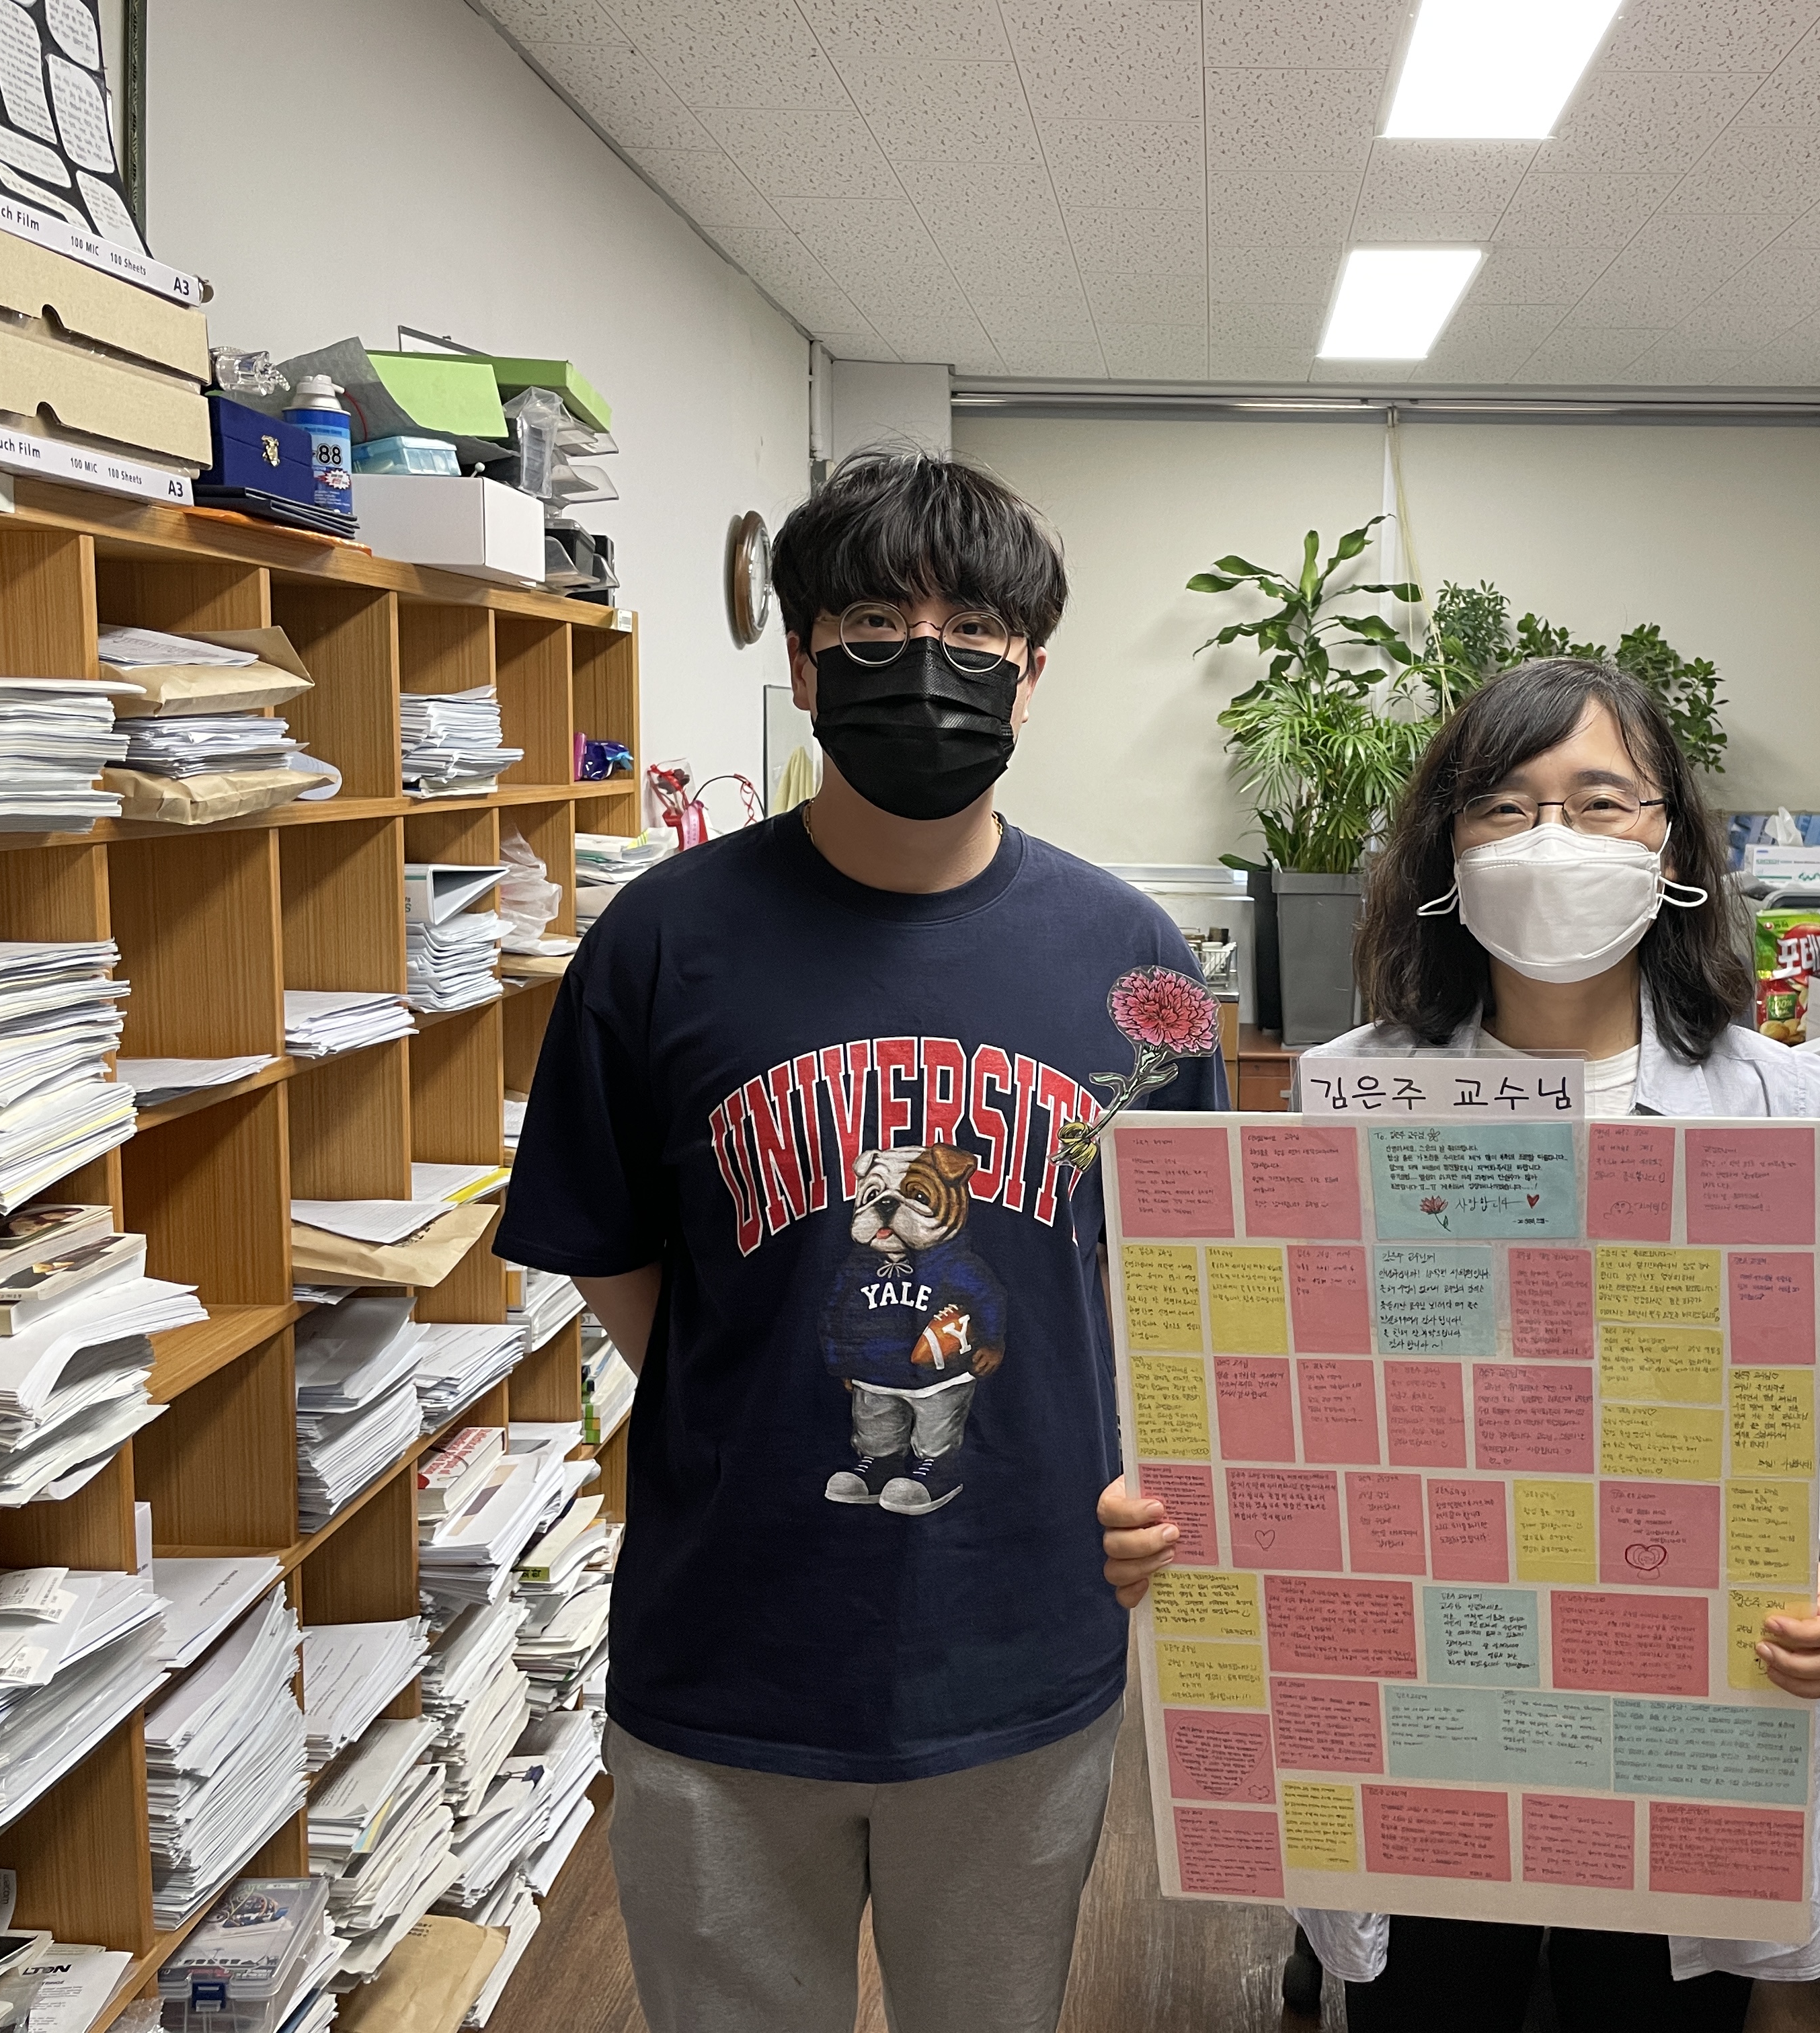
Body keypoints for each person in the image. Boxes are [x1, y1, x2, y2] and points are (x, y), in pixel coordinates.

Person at [498, 448, 1226, 2033]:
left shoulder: (1135, 965)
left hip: (1019, 1642)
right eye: (876, 627)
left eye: (973, 633)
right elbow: (613, 1248)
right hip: (729, 1647)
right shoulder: (661, 941)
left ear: (1032, 670)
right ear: (805, 659)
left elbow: (1181, 1283)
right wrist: (769, 1382)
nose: (926, 663)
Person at [1097, 656, 1820, 2032]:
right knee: (1433, 1997)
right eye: (1508, 807)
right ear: (1448, 849)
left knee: (1647, 2008)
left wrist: (1788, 1536)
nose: (1552, 842)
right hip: (1425, 1692)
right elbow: (1290, 1391)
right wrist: (1177, 1511)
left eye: (1601, 803)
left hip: (1682, 1683)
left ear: (1671, 844)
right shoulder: (1353, 1090)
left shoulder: (1784, 1101)